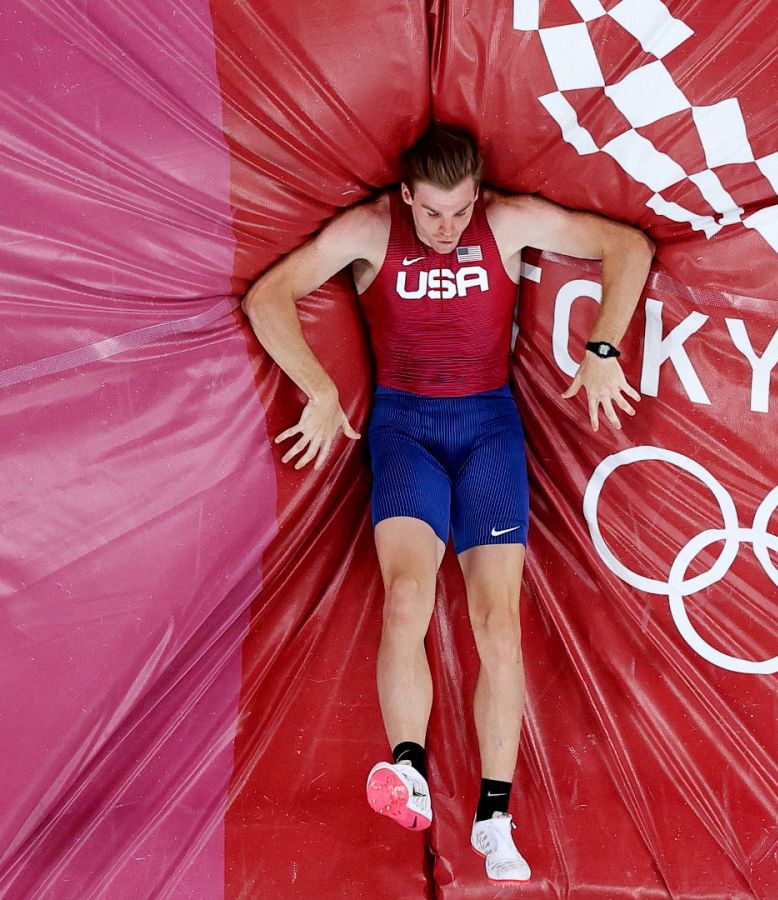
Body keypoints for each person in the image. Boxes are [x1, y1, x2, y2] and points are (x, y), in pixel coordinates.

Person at [241, 124, 652, 882]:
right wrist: (320, 388)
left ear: (478, 196)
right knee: (406, 599)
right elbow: (269, 294)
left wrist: (604, 348)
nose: (446, 229)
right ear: (406, 196)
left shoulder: (508, 222)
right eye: (431, 214)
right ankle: (409, 771)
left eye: (459, 212)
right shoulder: (371, 230)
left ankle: (495, 817)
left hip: (489, 429)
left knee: (498, 620)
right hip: (406, 430)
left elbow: (628, 247)